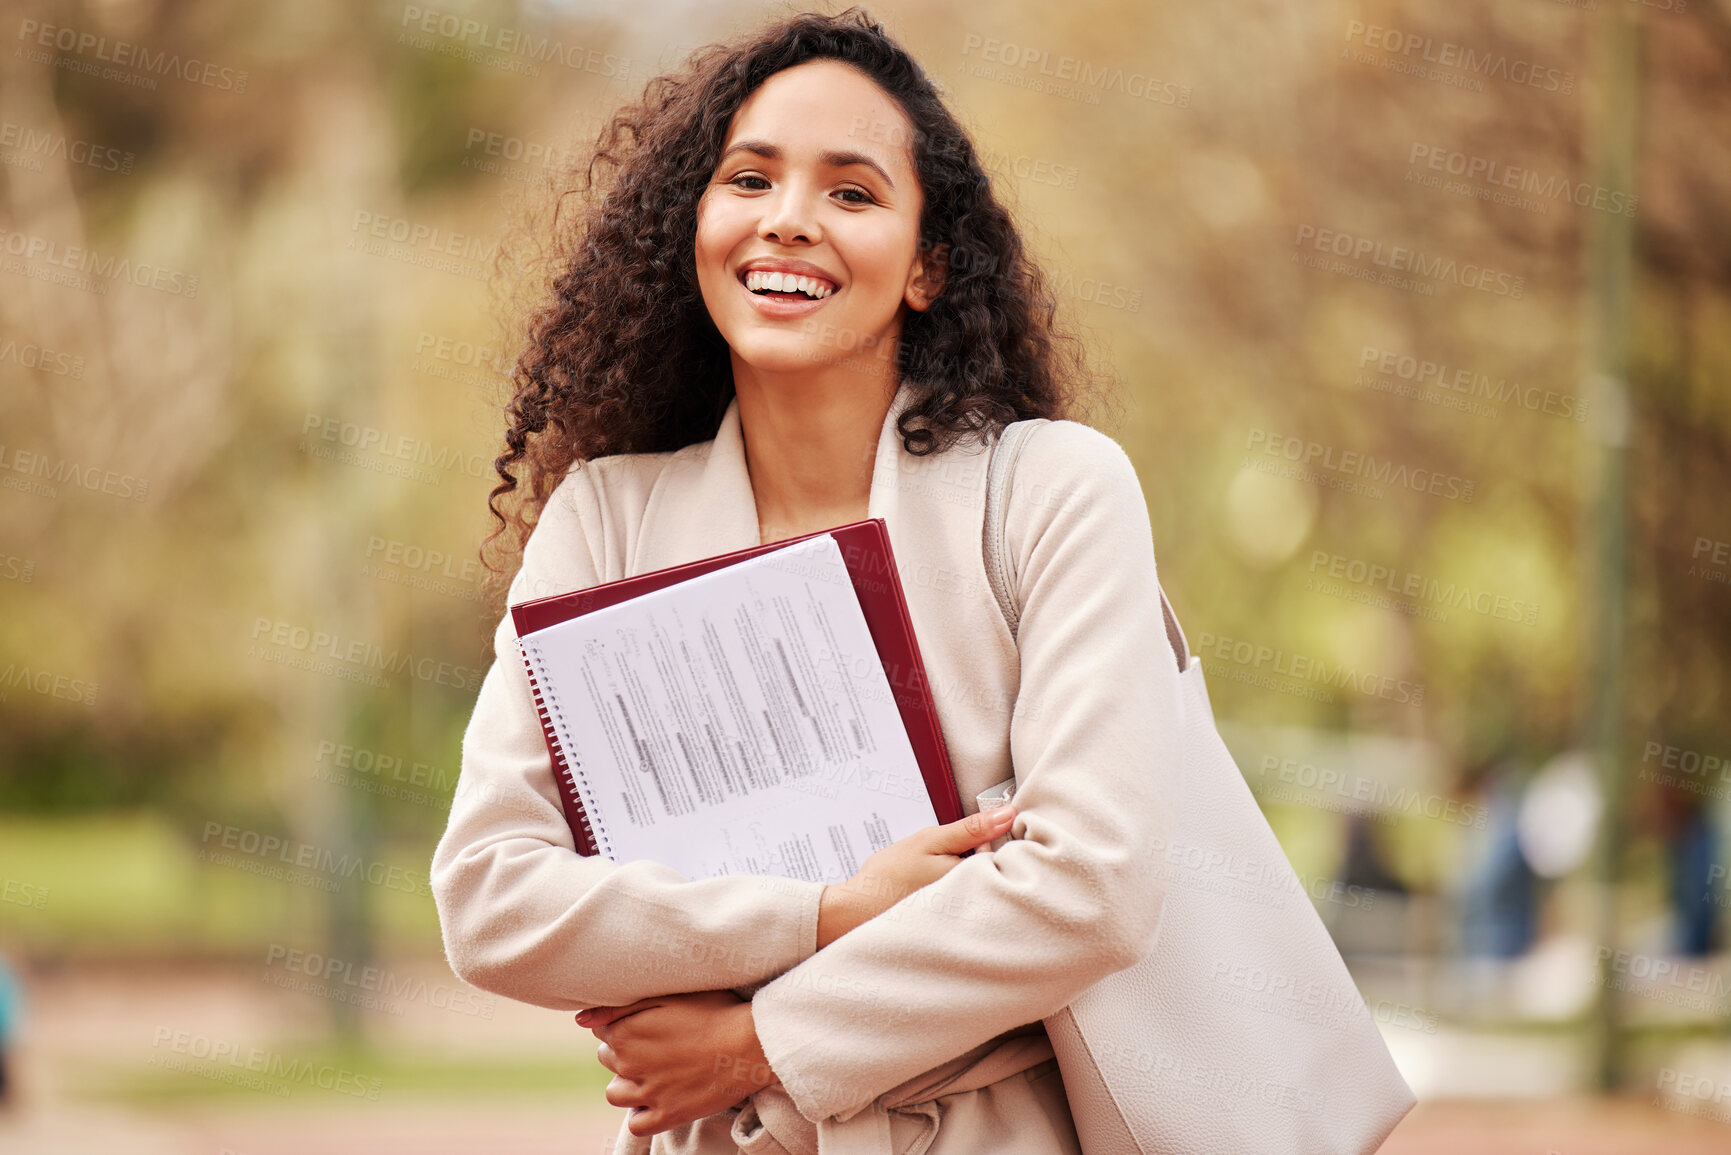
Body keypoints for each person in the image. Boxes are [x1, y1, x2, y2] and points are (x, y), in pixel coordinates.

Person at [431, 9, 1180, 1153]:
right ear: (695, 224)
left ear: (928, 263)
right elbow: (490, 897)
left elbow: (1089, 887)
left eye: (853, 192)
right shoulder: (607, 518)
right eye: (749, 179)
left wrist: (755, 1042)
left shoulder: (1052, 492)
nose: (788, 221)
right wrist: (823, 914)